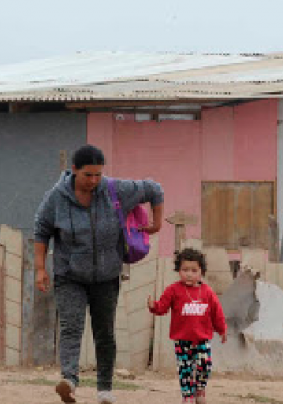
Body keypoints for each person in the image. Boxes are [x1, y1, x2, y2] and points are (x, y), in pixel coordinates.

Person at [34, 144, 164, 404]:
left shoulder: (115, 190)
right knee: (71, 327)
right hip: (69, 275)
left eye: (98, 175)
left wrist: (157, 222)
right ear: (74, 171)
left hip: (106, 275)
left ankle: (105, 389)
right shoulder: (56, 197)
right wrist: (40, 268)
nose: (93, 180)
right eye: (87, 175)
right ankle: (69, 380)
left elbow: (154, 189)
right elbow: (41, 230)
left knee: (104, 332)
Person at [148, 248, 227, 404]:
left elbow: (217, 312)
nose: (189, 274)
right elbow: (162, 308)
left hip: (202, 338)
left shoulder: (207, 292)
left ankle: (200, 389)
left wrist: (222, 329)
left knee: (205, 365)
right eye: (185, 270)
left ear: (201, 272)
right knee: (185, 370)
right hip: (181, 339)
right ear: (179, 270)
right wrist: (153, 306)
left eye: (193, 270)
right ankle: (187, 396)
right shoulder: (173, 290)